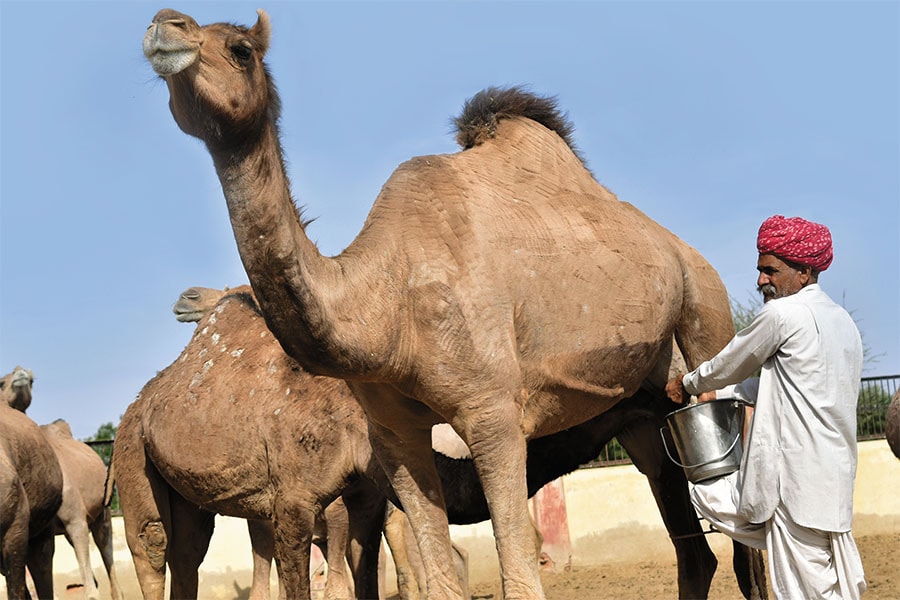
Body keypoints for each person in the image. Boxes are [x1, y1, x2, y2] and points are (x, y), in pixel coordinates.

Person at [665, 214, 866, 599]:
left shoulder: (781, 315)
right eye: (761, 271)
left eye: (770, 271)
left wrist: (689, 384)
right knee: (828, 583)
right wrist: (722, 396)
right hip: (833, 484)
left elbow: (729, 362)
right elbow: (789, 385)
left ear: (804, 271)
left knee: (806, 592)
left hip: (793, 484)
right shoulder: (844, 324)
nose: (761, 281)